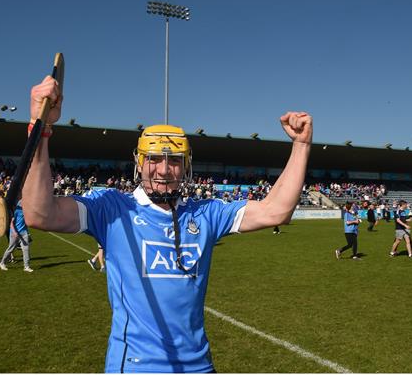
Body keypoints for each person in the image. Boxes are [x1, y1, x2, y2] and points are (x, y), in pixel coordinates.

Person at [22, 74, 312, 373]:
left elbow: (276, 211)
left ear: (186, 166)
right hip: (135, 366)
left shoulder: (206, 213)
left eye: (173, 160)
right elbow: (40, 214)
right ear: (139, 162)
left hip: (198, 366)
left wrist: (301, 145)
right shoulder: (111, 209)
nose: (163, 170)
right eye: (154, 159)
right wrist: (40, 127)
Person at [0, 200, 33, 272]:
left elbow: (25, 223)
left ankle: (26, 266)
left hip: (24, 233)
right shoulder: (17, 211)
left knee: (26, 249)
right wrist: (14, 232)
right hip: (15, 233)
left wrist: (28, 233)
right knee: (11, 249)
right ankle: (2, 263)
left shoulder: (27, 212)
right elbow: (11, 223)